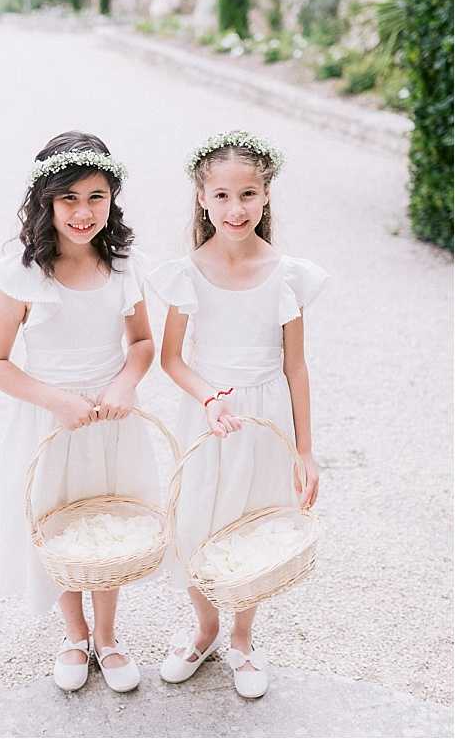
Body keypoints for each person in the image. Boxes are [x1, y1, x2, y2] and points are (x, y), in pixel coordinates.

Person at [148, 130, 329, 698]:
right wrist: (208, 395)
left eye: (248, 194)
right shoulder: (187, 272)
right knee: (199, 518)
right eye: (222, 196)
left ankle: (243, 638)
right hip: (208, 414)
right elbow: (171, 358)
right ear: (202, 199)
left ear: (267, 194)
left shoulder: (287, 274)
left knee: (253, 521)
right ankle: (204, 628)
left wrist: (305, 450)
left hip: (265, 415)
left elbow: (295, 367)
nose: (236, 208)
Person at [0, 131, 159, 694]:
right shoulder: (22, 275)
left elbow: (141, 344)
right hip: (51, 421)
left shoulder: (124, 265)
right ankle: (74, 634)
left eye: (96, 197)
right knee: (57, 522)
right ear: (45, 202)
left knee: (109, 524)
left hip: (110, 417)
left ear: (113, 200)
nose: (83, 213)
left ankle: (108, 635)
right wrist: (57, 400)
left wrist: (126, 384)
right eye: (68, 199)